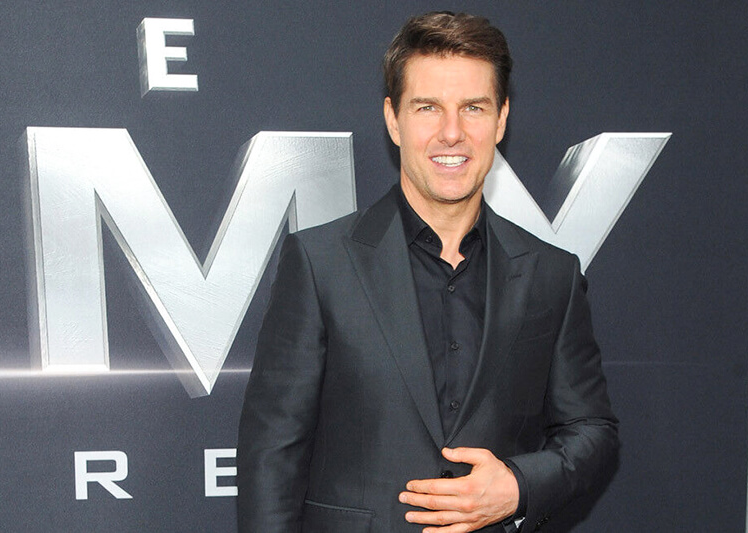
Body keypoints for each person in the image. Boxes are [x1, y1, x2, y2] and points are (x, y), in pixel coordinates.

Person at [237, 11, 618, 533]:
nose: (452, 133)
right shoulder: (319, 263)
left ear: (501, 119)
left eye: (473, 108)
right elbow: (271, 459)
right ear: (393, 119)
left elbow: (591, 429)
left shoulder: (553, 274)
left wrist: (518, 486)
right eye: (428, 108)